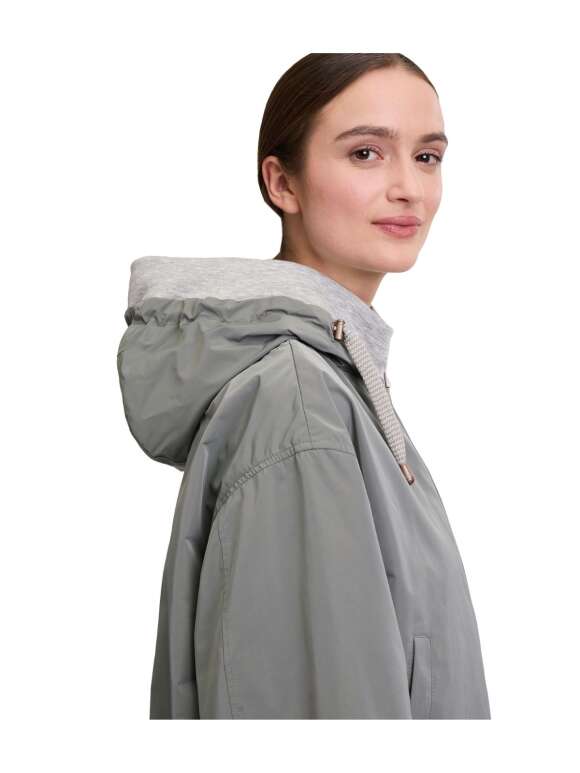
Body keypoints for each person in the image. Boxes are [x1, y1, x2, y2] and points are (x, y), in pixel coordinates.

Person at [117, 53, 491, 719]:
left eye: (427, 157)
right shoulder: (299, 400)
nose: (409, 187)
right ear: (282, 182)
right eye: (366, 153)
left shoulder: (338, 381)